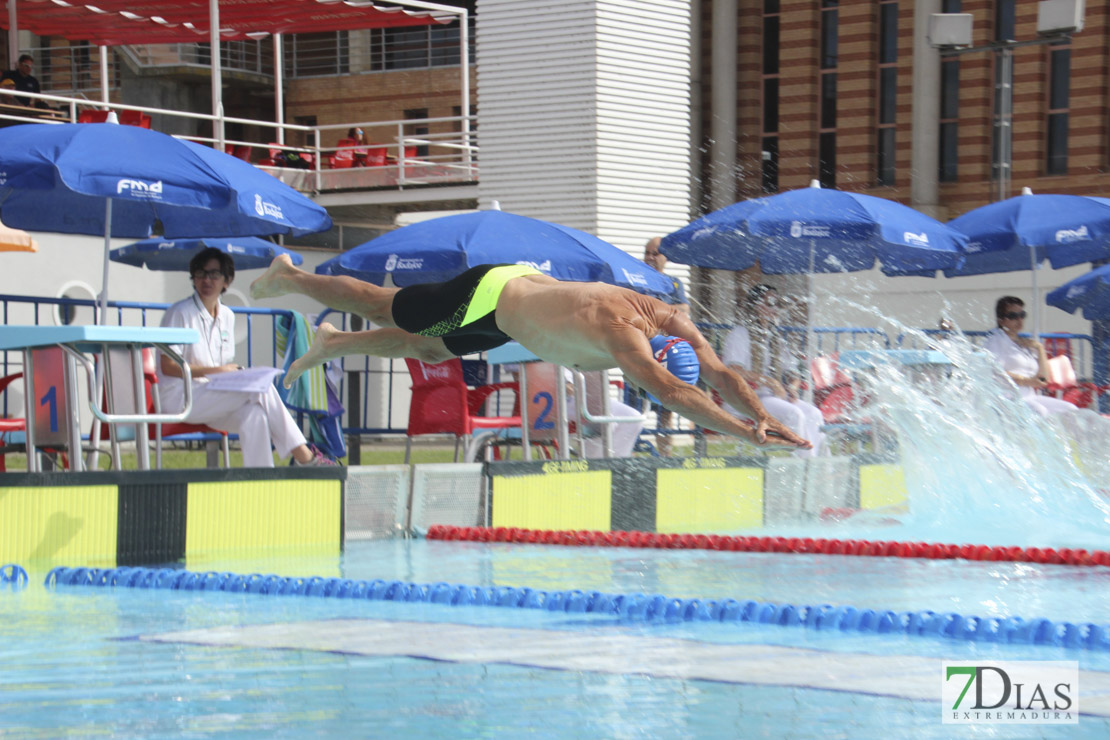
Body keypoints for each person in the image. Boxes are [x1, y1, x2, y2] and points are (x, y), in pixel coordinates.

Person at [250, 256, 812, 451]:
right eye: (650, 367)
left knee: (422, 345)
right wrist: (743, 434)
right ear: (653, 353)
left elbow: (718, 374)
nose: (646, 376)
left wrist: (760, 414)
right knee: (382, 306)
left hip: (509, 310)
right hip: (490, 295)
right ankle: (294, 276)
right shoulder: (624, 334)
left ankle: (332, 344)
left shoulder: (675, 321)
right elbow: (677, 392)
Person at [158, 248, 336, 468]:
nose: (206, 280)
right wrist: (217, 372)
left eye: (214, 274)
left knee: (255, 414)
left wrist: (230, 374)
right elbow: (168, 366)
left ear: (227, 280)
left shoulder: (227, 316)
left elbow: (221, 366)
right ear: (193, 278)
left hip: (211, 397)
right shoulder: (180, 313)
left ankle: (261, 480)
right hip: (181, 398)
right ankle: (305, 457)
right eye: (201, 273)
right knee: (260, 388)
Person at [721, 284, 826, 458]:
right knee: (794, 414)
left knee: (814, 414)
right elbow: (733, 370)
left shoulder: (775, 337)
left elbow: (792, 372)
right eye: (770, 303)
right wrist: (770, 382)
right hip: (744, 398)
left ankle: (817, 464)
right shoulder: (740, 334)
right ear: (755, 306)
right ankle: (804, 468)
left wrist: (792, 387)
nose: (775, 308)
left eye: (777, 303)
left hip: (771, 397)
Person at [983, 296, 1078, 418]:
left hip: (1029, 397)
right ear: (1001, 320)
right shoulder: (995, 341)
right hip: (1006, 398)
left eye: (1022, 315)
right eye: (1013, 316)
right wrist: (1026, 381)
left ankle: (1065, 438)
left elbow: (1043, 380)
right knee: (1039, 411)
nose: (1019, 320)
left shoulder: (1023, 344)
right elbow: (995, 371)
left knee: (1070, 410)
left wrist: (1039, 348)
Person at [642, 236, 689, 455]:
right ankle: (628, 453)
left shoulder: (673, 283)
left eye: (655, 253)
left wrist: (659, 314)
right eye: (647, 253)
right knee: (636, 406)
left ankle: (665, 455)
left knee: (666, 409)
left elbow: (684, 310)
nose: (650, 258)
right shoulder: (637, 278)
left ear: (665, 258)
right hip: (641, 348)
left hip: (665, 351)